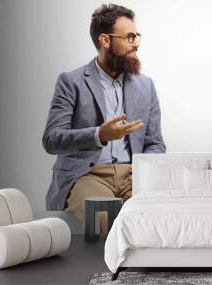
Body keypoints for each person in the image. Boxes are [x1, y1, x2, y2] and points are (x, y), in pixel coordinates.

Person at [42, 3, 166, 222]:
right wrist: (99, 135)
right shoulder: (71, 82)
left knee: (154, 218)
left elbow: (155, 143)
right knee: (101, 221)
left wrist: (143, 170)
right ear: (105, 40)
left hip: (133, 176)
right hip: (88, 174)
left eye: (137, 36)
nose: (136, 44)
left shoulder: (146, 86)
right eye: (129, 37)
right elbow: (52, 140)